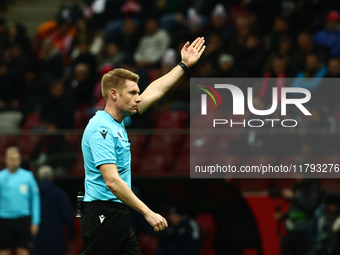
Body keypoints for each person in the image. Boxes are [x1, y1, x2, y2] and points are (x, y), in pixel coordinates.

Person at [80, 37, 205, 255]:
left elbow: (154, 92)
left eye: (138, 92)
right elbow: (111, 180)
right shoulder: (100, 128)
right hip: (102, 213)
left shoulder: (118, 122)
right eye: (133, 93)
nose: (138, 98)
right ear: (113, 94)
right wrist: (147, 212)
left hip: (117, 214)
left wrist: (183, 65)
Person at [0, 147, 40, 255]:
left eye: (16, 159)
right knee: (3, 251)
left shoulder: (28, 177)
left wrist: (35, 221)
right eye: (12, 159)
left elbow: (35, 200)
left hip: (23, 220)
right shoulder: (1, 177)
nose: (14, 161)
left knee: (23, 250)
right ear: (6, 160)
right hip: (4, 220)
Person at [34, 165, 75, 255]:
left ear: (38, 177)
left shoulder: (33, 194)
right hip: (56, 237)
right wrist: (72, 235)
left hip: (37, 237)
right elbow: (68, 215)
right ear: (52, 176)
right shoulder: (58, 194)